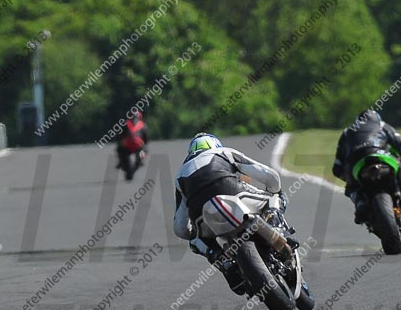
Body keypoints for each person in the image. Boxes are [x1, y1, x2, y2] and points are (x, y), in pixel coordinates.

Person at [173, 133, 284, 294]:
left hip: (200, 212)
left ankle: (219, 258)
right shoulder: (223, 152)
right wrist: (276, 190)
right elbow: (269, 175)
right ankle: (274, 223)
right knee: (273, 197)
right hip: (232, 191)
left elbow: (180, 228)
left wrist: (195, 234)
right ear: (214, 144)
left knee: (195, 240)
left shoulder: (180, 174)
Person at [332, 109, 401, 224]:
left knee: (351, 187)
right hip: (380, 155)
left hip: (357, 163)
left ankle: (360, 204)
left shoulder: (347, 132)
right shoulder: (382, 125)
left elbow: (337, 167)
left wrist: (346, 176)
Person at [116, 112, 148, 178]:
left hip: (127, 145)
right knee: (145, 150)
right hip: (138, 146)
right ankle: (140, 160)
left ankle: (120, 162)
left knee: (119, 149)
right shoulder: (143, 125)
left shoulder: (125, 123)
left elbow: (120, 136)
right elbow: (145, 139)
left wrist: (121, 142)